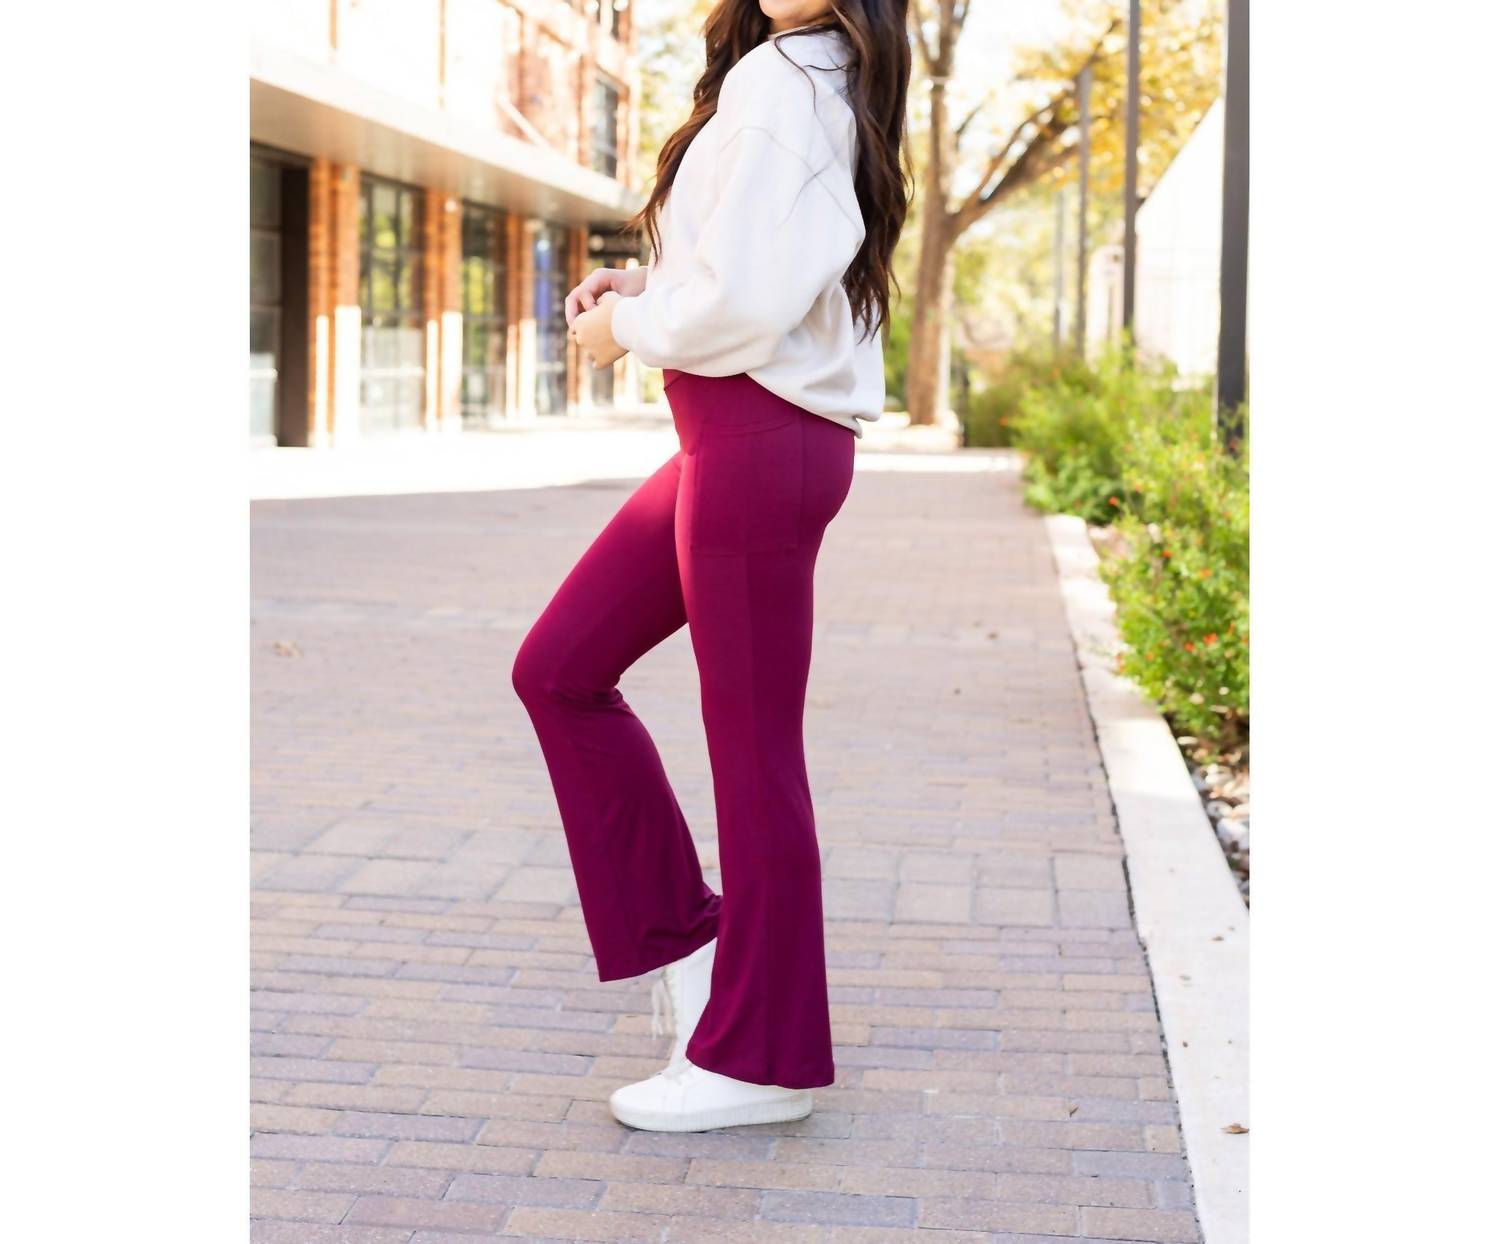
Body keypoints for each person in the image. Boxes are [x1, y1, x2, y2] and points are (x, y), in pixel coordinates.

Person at [511, 0, 911, 1133]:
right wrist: (649, 288)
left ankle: (761, 1058)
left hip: (757, 442)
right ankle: (694, 946)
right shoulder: (806, 73)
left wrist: (625, 333)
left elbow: (746, 304)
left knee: (753, 755)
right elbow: (753, 273)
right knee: (559, 668)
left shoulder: (792, 79)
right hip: (738, 439)